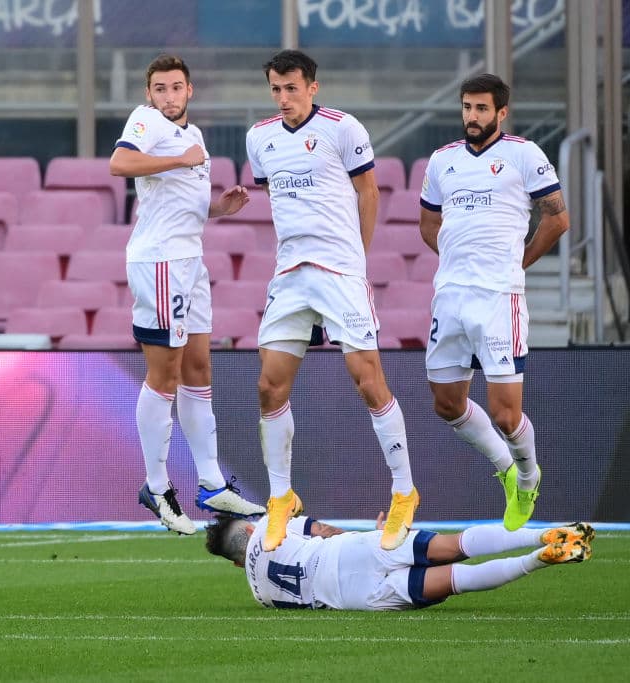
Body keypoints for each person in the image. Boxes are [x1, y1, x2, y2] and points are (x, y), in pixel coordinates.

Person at [244, 49, 418, 552]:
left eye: (291, 88)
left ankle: (404, 490)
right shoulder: (261, 138)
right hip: (290, 276)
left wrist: (356, 259)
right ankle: (281, 497)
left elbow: (369, 192)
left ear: (312, 87)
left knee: (368, 381)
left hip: (340, 272)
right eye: (276, 89)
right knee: (268, 386)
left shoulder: (344, 129)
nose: (283, 98)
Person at [109, 53, 265, 534]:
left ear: (190, 91)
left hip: (190, 262)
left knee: (199, 370)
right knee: (166, 375)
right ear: (149, 94)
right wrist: (178, 159)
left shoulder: (193, 137)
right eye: (160, 88)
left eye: (177, 87)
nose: (169, 96)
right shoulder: (146, 122)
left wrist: (220, 207)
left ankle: (212, 483)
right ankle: (156, 488)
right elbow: (120, 163)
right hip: (160, 262)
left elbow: (183, 205)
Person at [418, 74, 570, 531]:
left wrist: (516, 263)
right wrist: (458, 262)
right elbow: (428, 224)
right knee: (446, 404)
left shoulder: (524, 154)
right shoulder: (442, 161)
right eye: (467, 107)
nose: (472, 117)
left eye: (482, 109)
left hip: (499, 298)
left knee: (506, 413)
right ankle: (505, 468)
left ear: (501, 113)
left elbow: (558, 218)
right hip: (450, 296)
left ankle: (526, 475)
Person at [205, 512, 593, 611]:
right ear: (252, 530)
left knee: (457, 579)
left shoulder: (260, 595)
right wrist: (372, 536)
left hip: (356, 596)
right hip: (350, 551)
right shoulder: (271, 525)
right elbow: (321, 531)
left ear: (235, 564)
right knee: (454, 544)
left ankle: (537, 560)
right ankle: (539, 535)